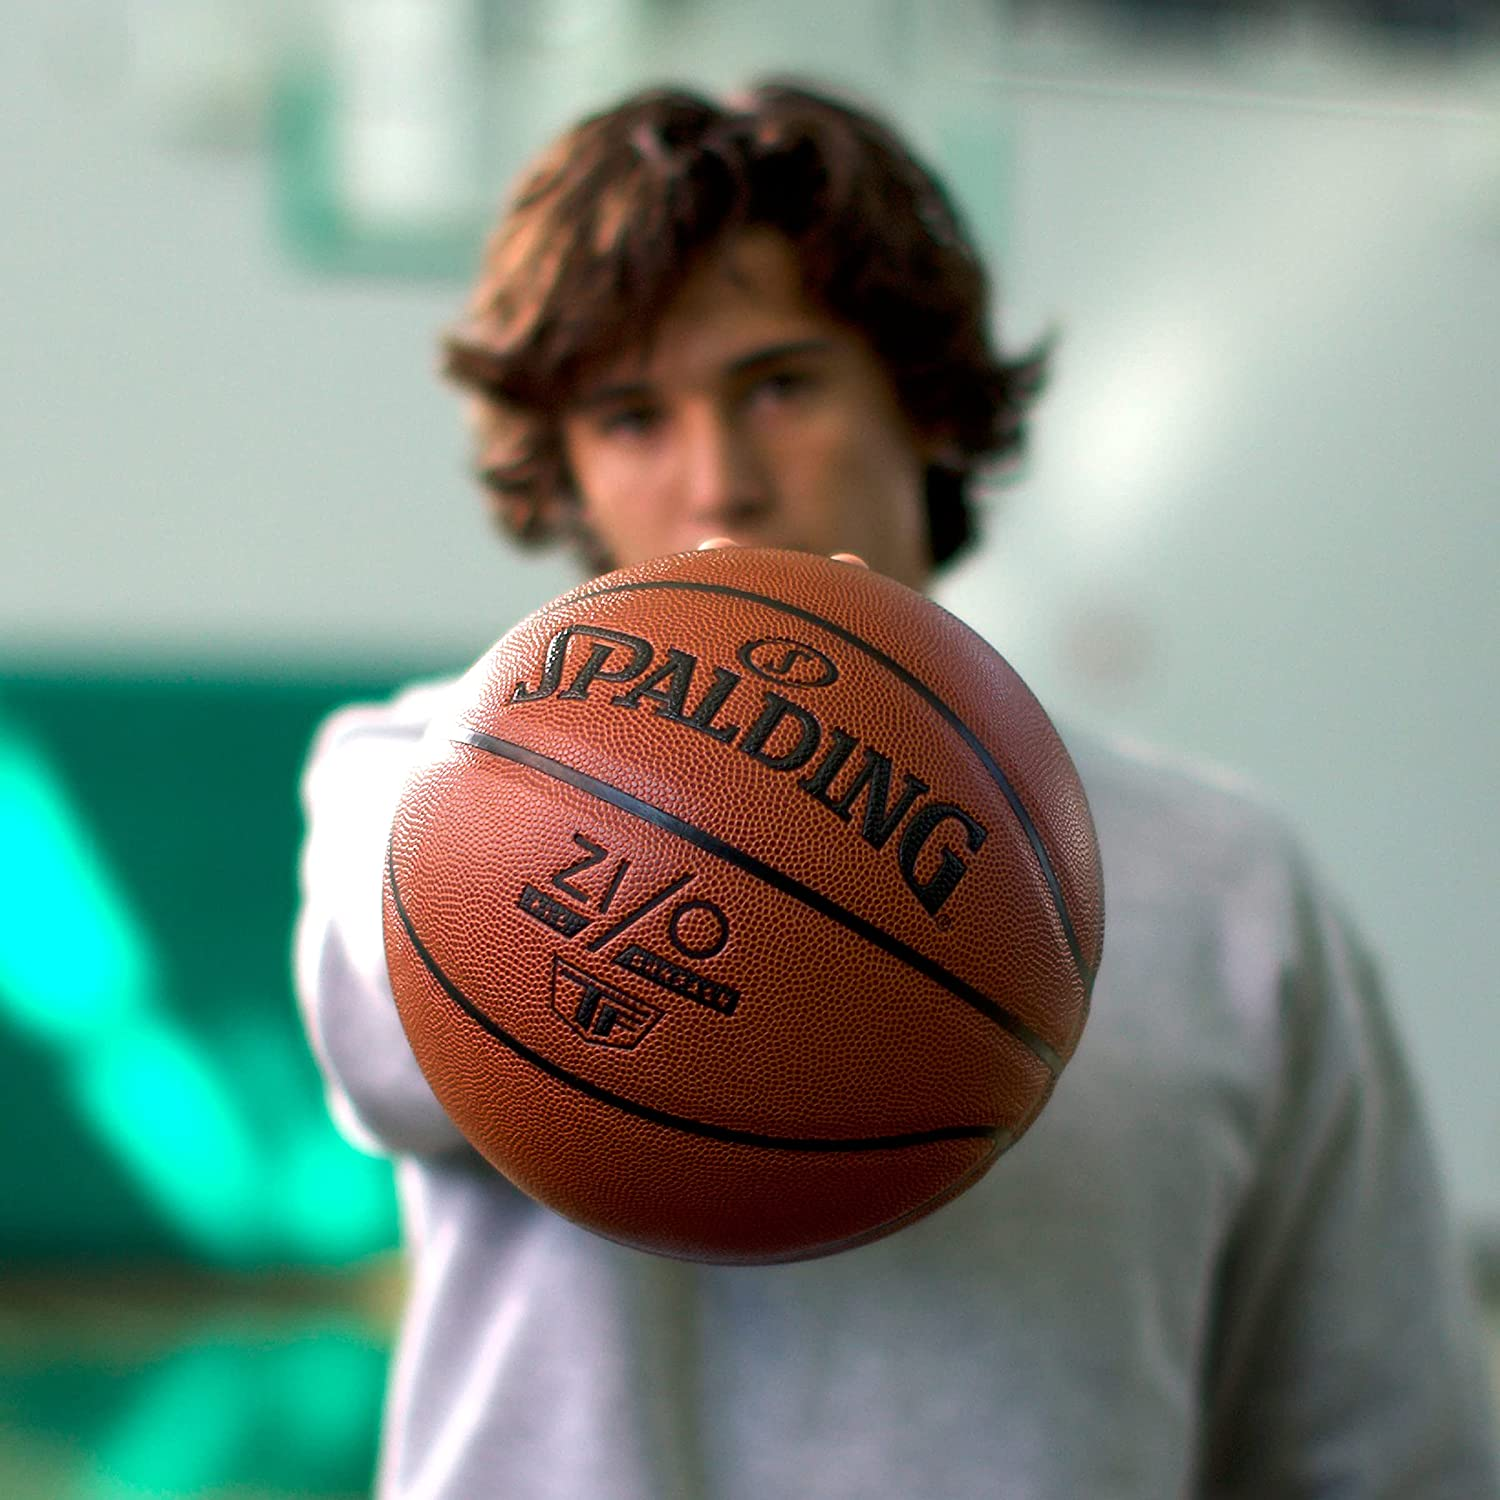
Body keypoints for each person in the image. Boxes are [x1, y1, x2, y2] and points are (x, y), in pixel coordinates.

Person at [293, 81, 1499, 1499]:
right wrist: (689, 766)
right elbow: (384, 1054)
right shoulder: (418, 773)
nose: (719, 484)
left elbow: (1376, 1439)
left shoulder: (1228, 880)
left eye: (781, 387)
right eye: (629, 418)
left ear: (922, 404)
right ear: (565, 475)